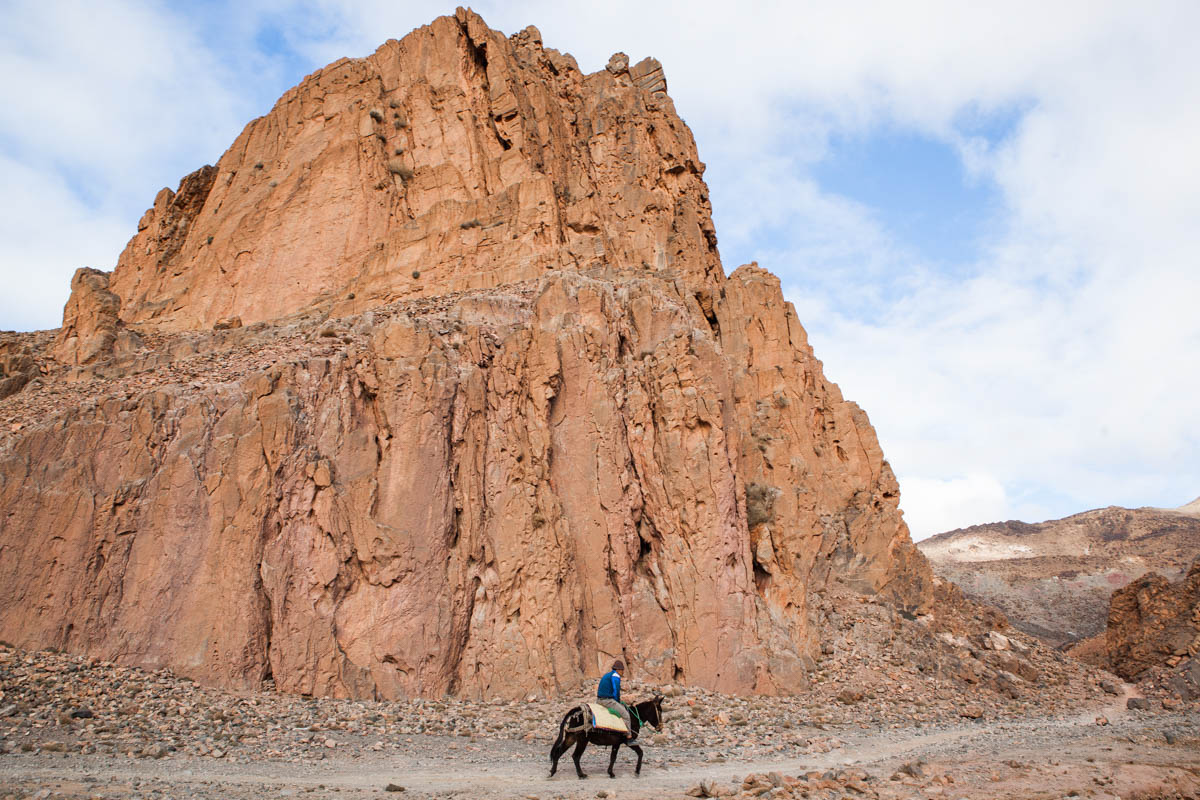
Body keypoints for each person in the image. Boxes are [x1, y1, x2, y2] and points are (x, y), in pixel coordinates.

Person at [596, 659, 634, 738]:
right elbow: (616, 690)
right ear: (618, 670)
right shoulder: (615, 676)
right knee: (626, 715)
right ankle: (628, 735)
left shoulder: (608, 675)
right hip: (607, 701)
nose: (623, 672)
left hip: (599, 700)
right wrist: (618, 701)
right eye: (622, 670)